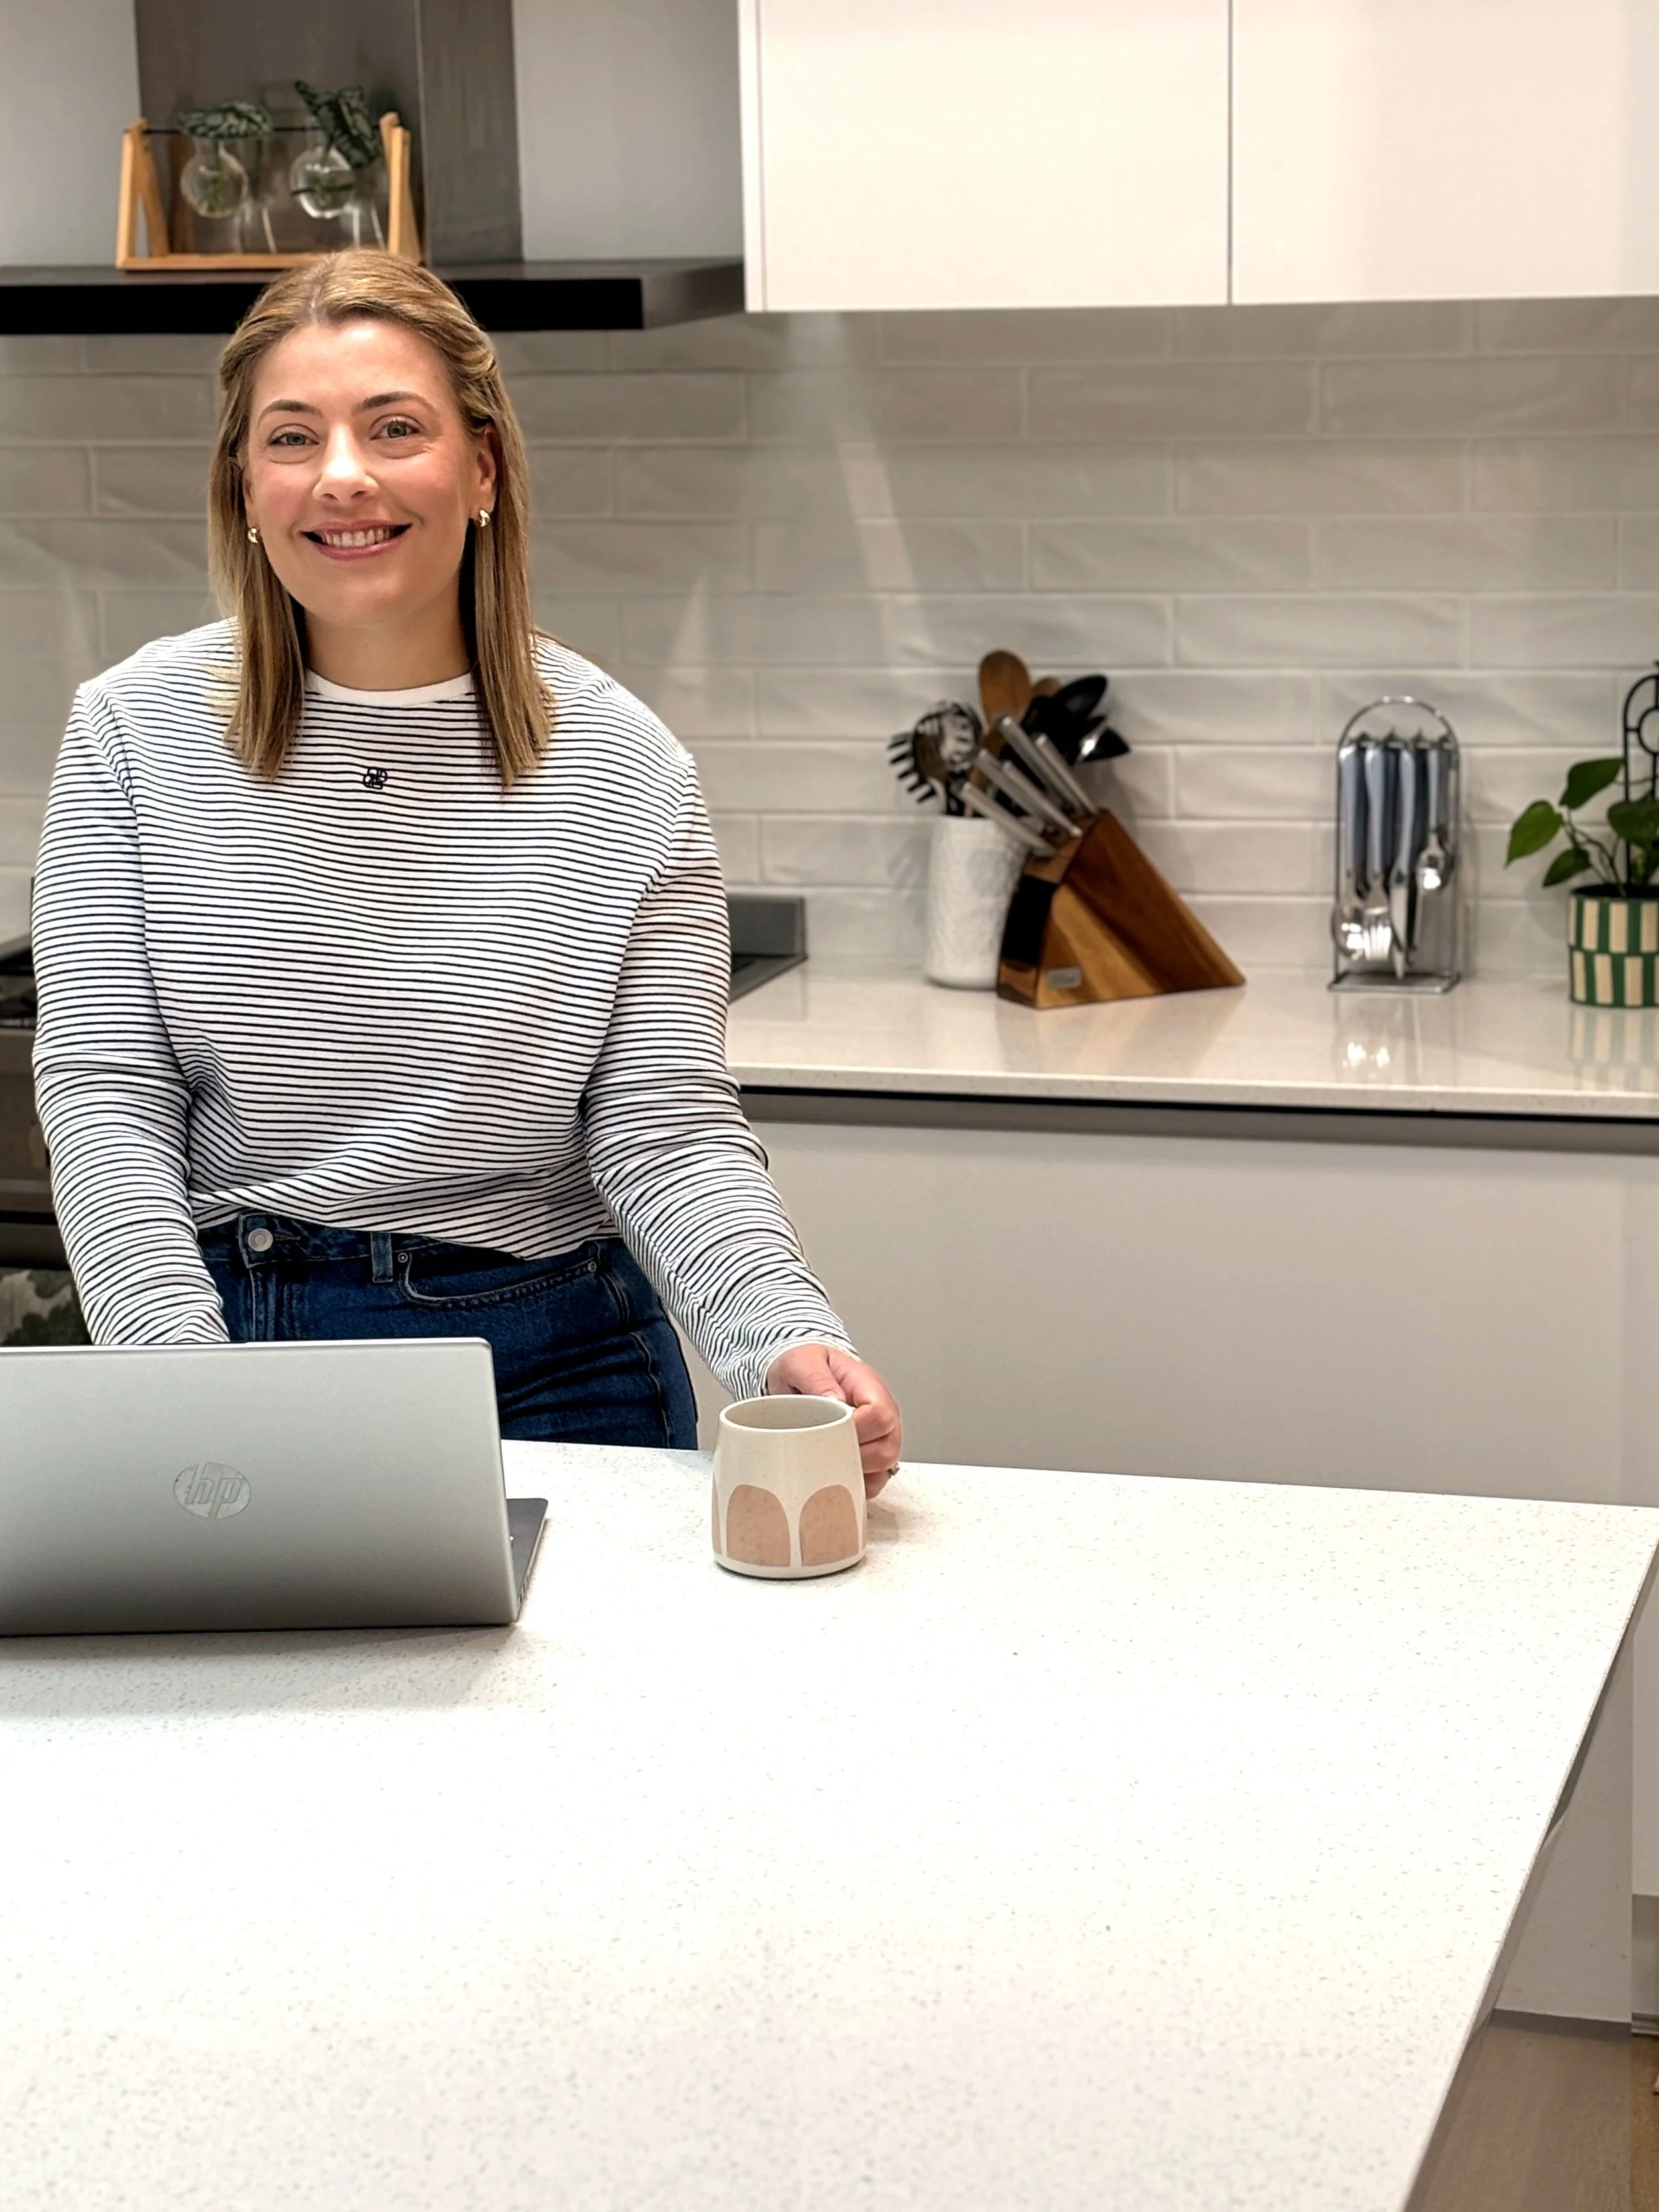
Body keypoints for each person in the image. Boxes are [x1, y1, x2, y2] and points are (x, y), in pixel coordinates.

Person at [30, 251, 902, 1490]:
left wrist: (783, 1336)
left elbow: (663, 1124)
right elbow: (109, 1101)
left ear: (481, 466)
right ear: (244, 482)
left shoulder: (623, 763)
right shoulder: (132, 733)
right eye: (293, 437)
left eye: (396, 428)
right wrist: (181, 1387)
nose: (344, 475)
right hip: (240, 1344)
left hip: (566, 1360)